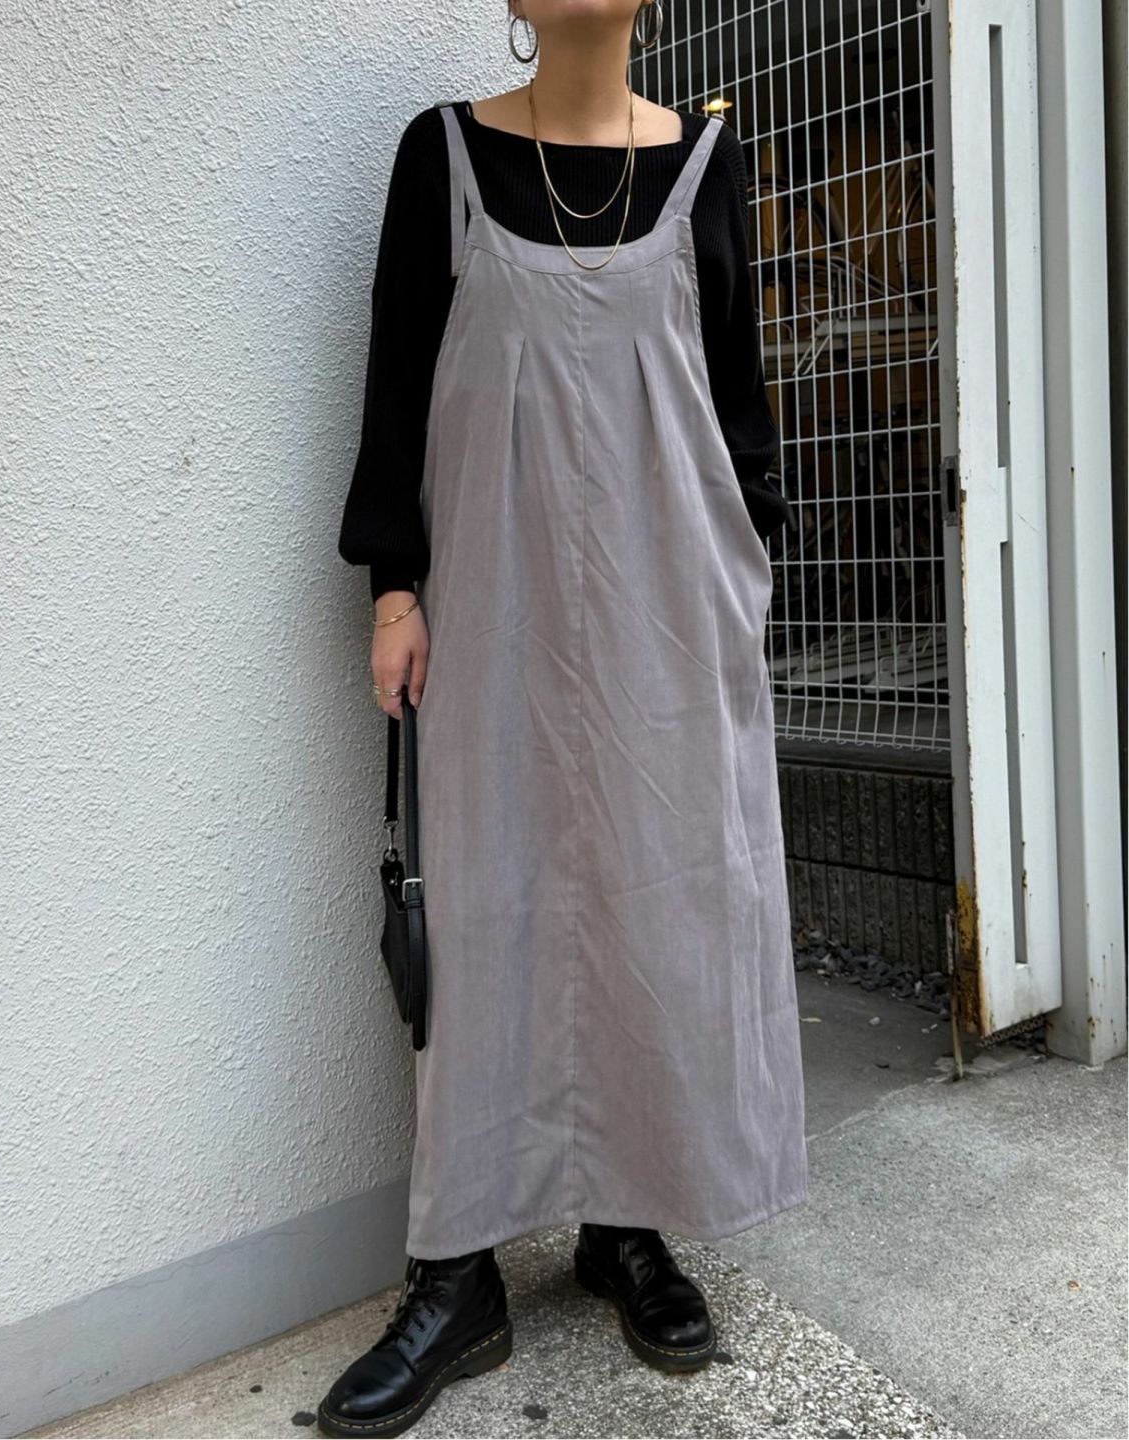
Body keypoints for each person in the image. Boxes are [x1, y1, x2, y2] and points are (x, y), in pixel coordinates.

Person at [321, 4, 809, 1434]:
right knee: (489, 900)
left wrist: (748, 570)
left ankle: (627, 1225)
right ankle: (455, 1268)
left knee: (664, 895)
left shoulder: (707, 166)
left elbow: (738, 399)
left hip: (674, 602)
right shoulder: (444, 160)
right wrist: (392, 584)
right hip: (496, 591)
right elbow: (397, 382)